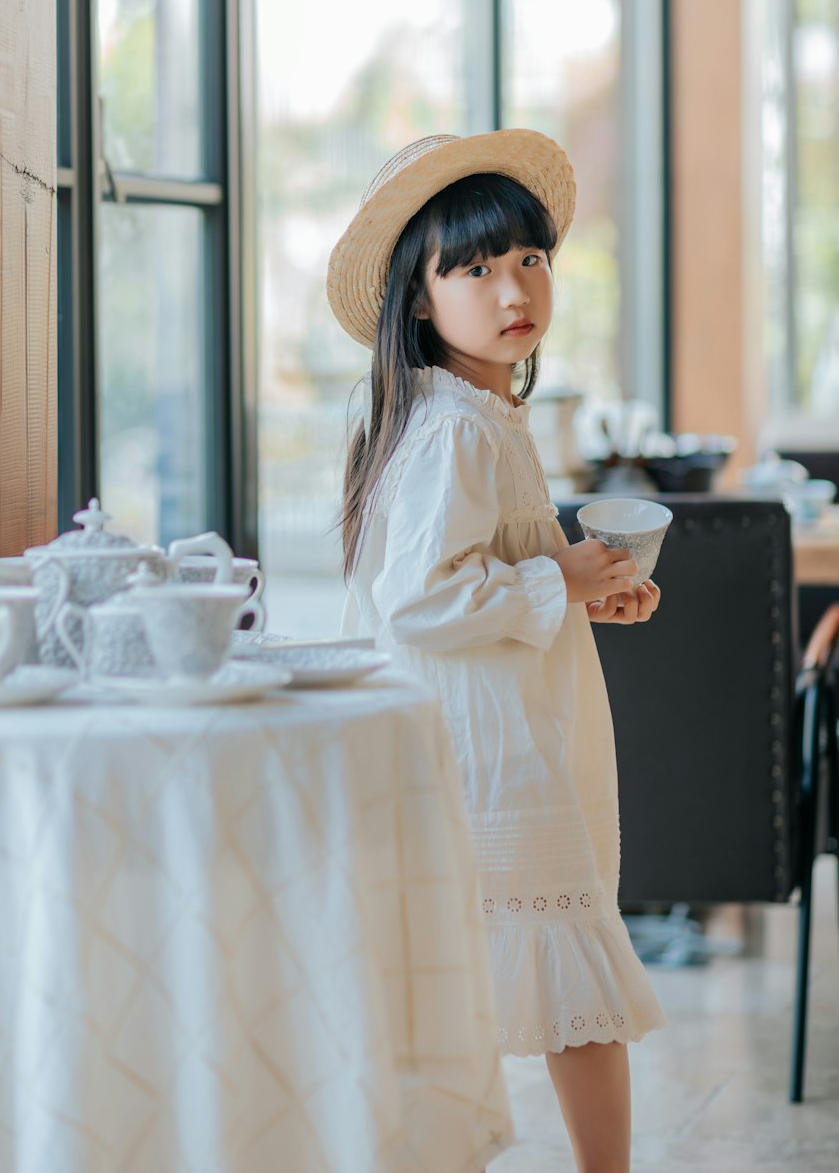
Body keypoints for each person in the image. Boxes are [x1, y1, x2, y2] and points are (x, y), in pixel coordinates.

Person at [327, 131, 668, 1173]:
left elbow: (478, 579)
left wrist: (577, 595)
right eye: (471, 268)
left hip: (491, 730)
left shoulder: (470, 416)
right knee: (573, 982)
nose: (511, 287)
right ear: (418, 301)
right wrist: (556, 581)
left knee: (470, 974)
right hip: (488, 750)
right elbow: (421, 600)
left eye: (528, 260)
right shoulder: (460, 431)